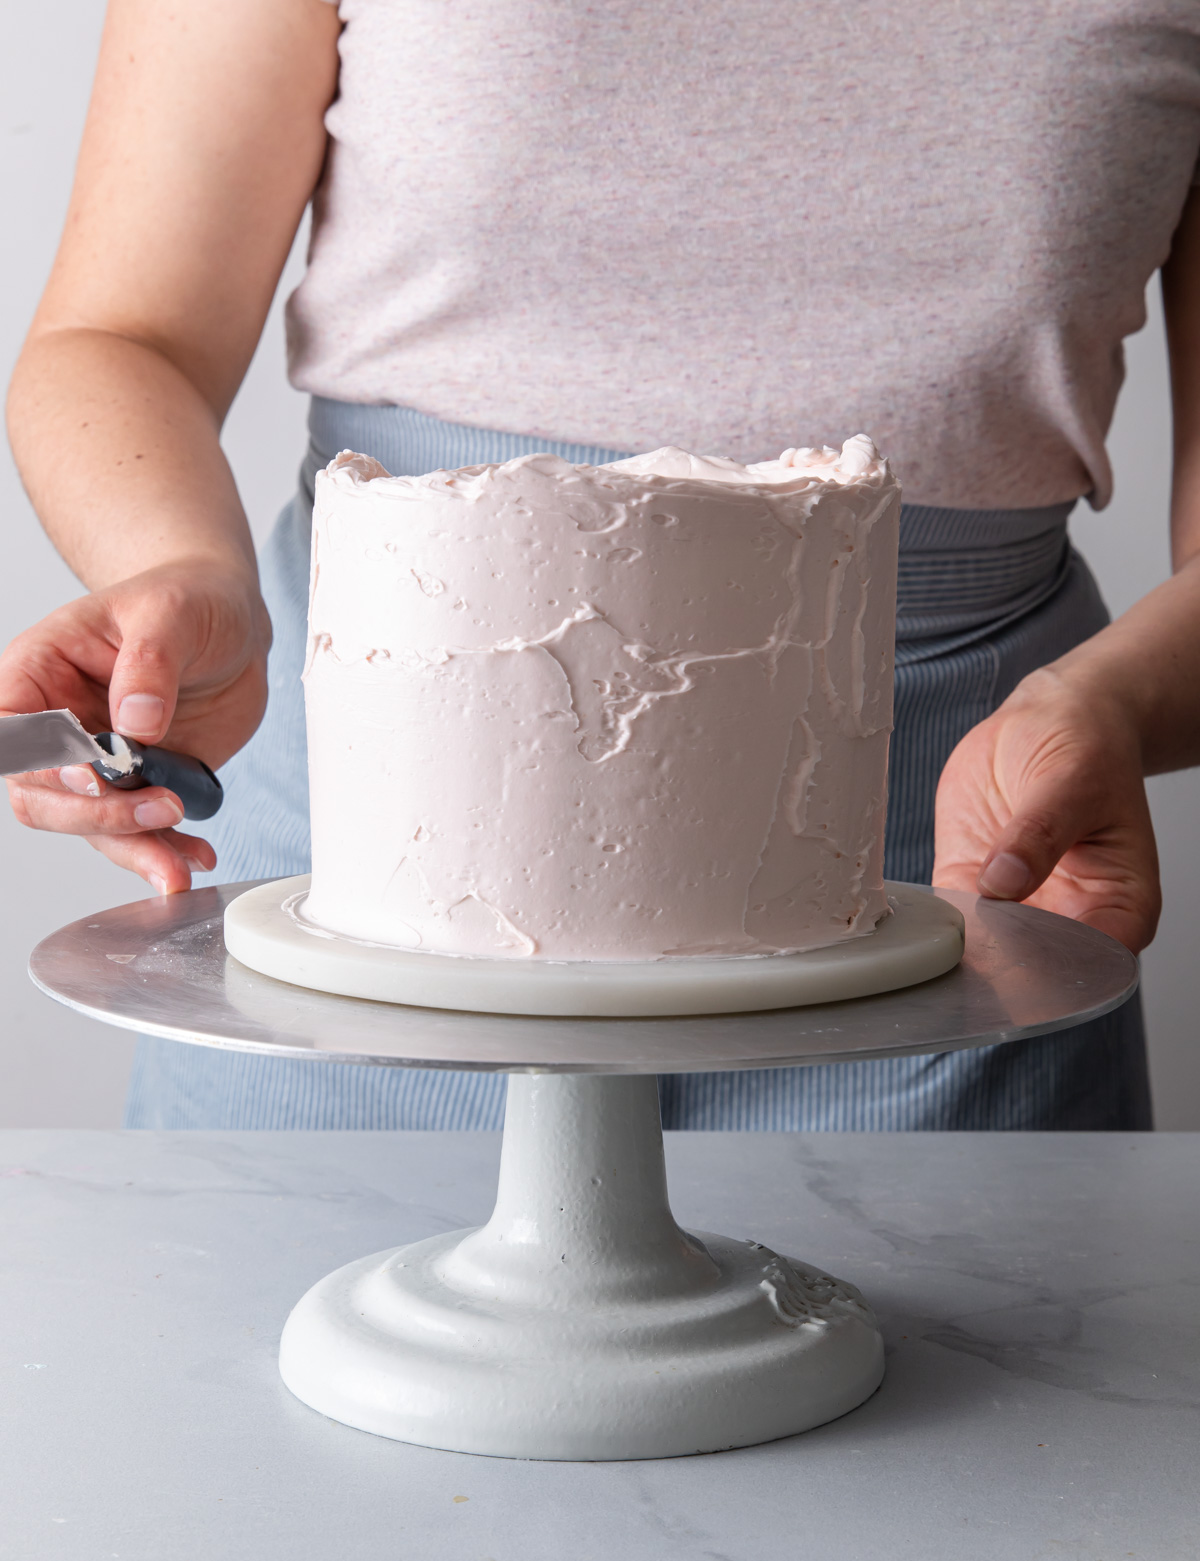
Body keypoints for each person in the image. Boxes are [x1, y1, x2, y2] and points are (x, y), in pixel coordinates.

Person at [5, 0, 1200, 1132]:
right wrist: (180, 567)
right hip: (380, 869)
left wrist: (1112, 705)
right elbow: (123, 336)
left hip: (953, 861)